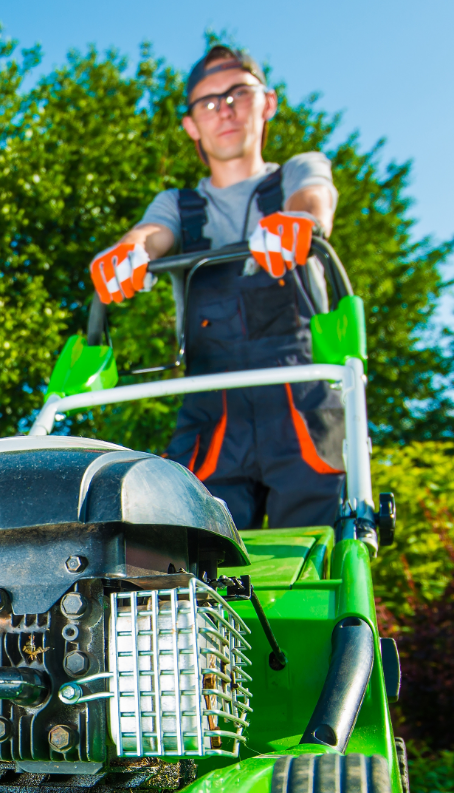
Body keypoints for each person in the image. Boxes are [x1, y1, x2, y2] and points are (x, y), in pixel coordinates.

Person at [89, 45, 345, 530]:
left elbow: (314, 200)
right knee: (200, 556)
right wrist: (129, 253)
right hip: (211, 408)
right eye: (208, 102)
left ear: (267, 103)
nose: (224, 110)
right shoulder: (177, 205)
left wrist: (299, 220)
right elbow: (148, 236)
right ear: (191, 124)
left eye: (237, 94)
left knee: (321, 554)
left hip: (301, 398)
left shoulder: (298, 172)